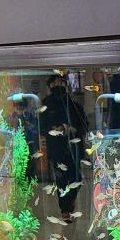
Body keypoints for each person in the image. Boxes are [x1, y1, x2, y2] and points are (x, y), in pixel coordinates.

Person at [41, 74, 89, 221]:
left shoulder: (73, 104)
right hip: (57, 149)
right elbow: (42, 126)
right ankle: (65, 209)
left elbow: (83, 124)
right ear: (50, 86)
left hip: (73, 148)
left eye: (61, 82)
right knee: (61, 180)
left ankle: (70, 200)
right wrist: (54, 129)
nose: (58, 86)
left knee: (76, 178)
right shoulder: (46, 105)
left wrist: (70, 128)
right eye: (54, 83)